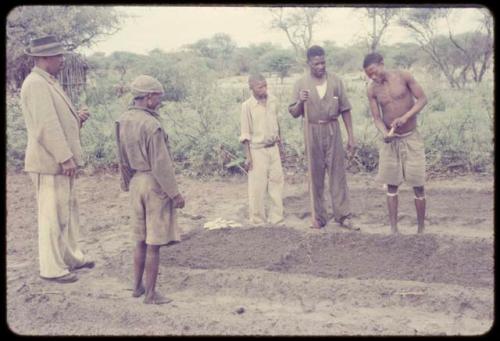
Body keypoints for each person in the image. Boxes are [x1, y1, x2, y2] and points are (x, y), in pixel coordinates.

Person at [20, 35, 94, 284]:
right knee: (52, 216)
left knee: (66, 213)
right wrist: (65, 158)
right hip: (49, 163)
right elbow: (45, 126)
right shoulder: (36, 84)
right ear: (42, 58)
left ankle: (71, 258)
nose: (62, 60)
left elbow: (56, 119)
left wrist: (76, 118)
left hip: (57, 162)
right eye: (57, 55)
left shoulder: (47, 81)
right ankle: (51, 269)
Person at [116, 75, 185, 305]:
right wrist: (175, 194)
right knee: (154, 243)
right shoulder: (152, 125)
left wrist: (127, 183)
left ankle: (136, 287)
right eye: (157, 97)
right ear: (147, 98)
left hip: (136, 182)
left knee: (139, 239)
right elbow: (161, 164)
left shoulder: (123, 120)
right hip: (154, 183)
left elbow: (121, 158)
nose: (159, 101)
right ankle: (151, 294)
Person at [289, 45, 358, 230]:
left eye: (323, 62)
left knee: (337, 174)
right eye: (316, 63)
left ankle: (343, 216)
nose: (321, 66)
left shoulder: (336, 81)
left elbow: (346, 109)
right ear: (309, 63)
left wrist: (351, 136)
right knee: (315, 174)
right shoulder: (300, 84)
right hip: (312, 131)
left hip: (332, 129)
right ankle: (319, 217)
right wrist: (299, 102)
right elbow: (294, 113)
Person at [363, 52, 428, 234]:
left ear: (382, 64)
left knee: (418, 184)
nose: (374, 77)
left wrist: (405, 117)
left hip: (411, 137)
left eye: (375, 72)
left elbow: (423, 99)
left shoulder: (403, 76)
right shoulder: (372, 89)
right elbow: (376, 118)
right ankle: (394, 230)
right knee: (391, 185)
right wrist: (385, 133)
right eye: (369, 76)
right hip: (391, 142)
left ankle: (421, 230)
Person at [240, 74, 285, 226]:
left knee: (276, 183)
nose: (264, 89)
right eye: (260, 87)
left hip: (273, 148)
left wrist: (281, 147)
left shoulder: (273, 100)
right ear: (251, 88)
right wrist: (248, 157)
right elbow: (245, 133)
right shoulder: (247, 106)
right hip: (257, 150)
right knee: (257, 187)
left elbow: (277, 124)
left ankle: (276, 218)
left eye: (265, 85)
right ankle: (258, 220)